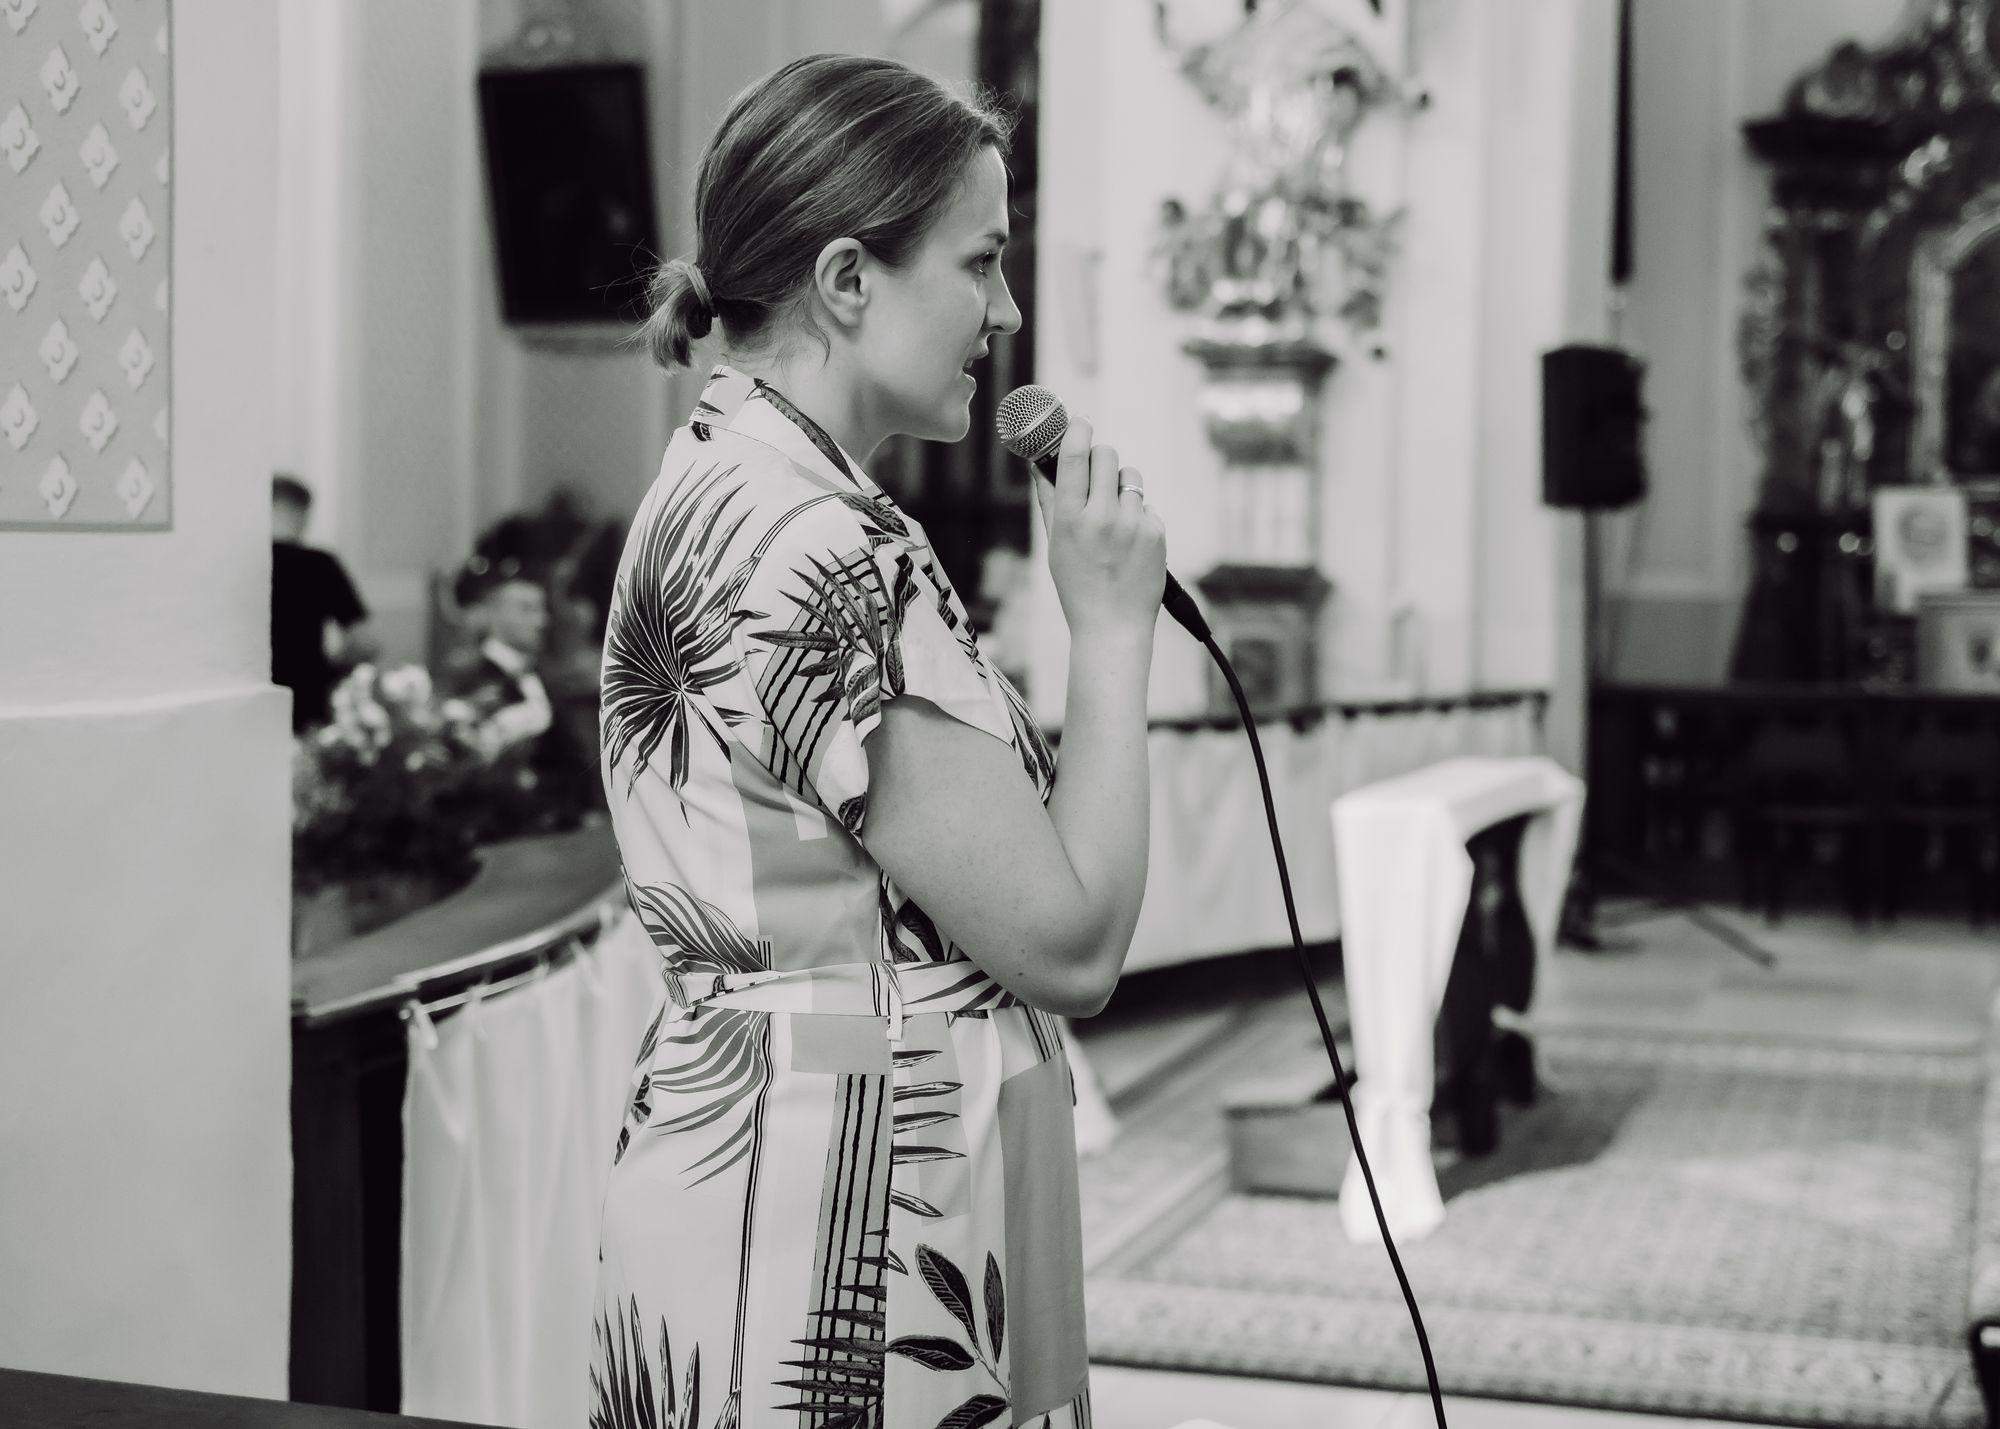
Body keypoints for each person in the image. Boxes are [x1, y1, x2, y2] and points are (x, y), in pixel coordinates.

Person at [589, 54, 1164, 1427]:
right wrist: (1112, 632)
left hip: (761, 1153)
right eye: (982, 262)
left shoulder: (720, 474)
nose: (1005, 312)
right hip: (842, 1217)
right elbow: (1067, 945)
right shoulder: (819, 546)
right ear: (848, 279)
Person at [270, 474, 373, 734]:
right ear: (302, 513)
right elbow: (363, 643)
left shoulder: (245, 566)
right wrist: (331, 672)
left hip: (256, 699)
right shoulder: (320, 564)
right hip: (310, 698)